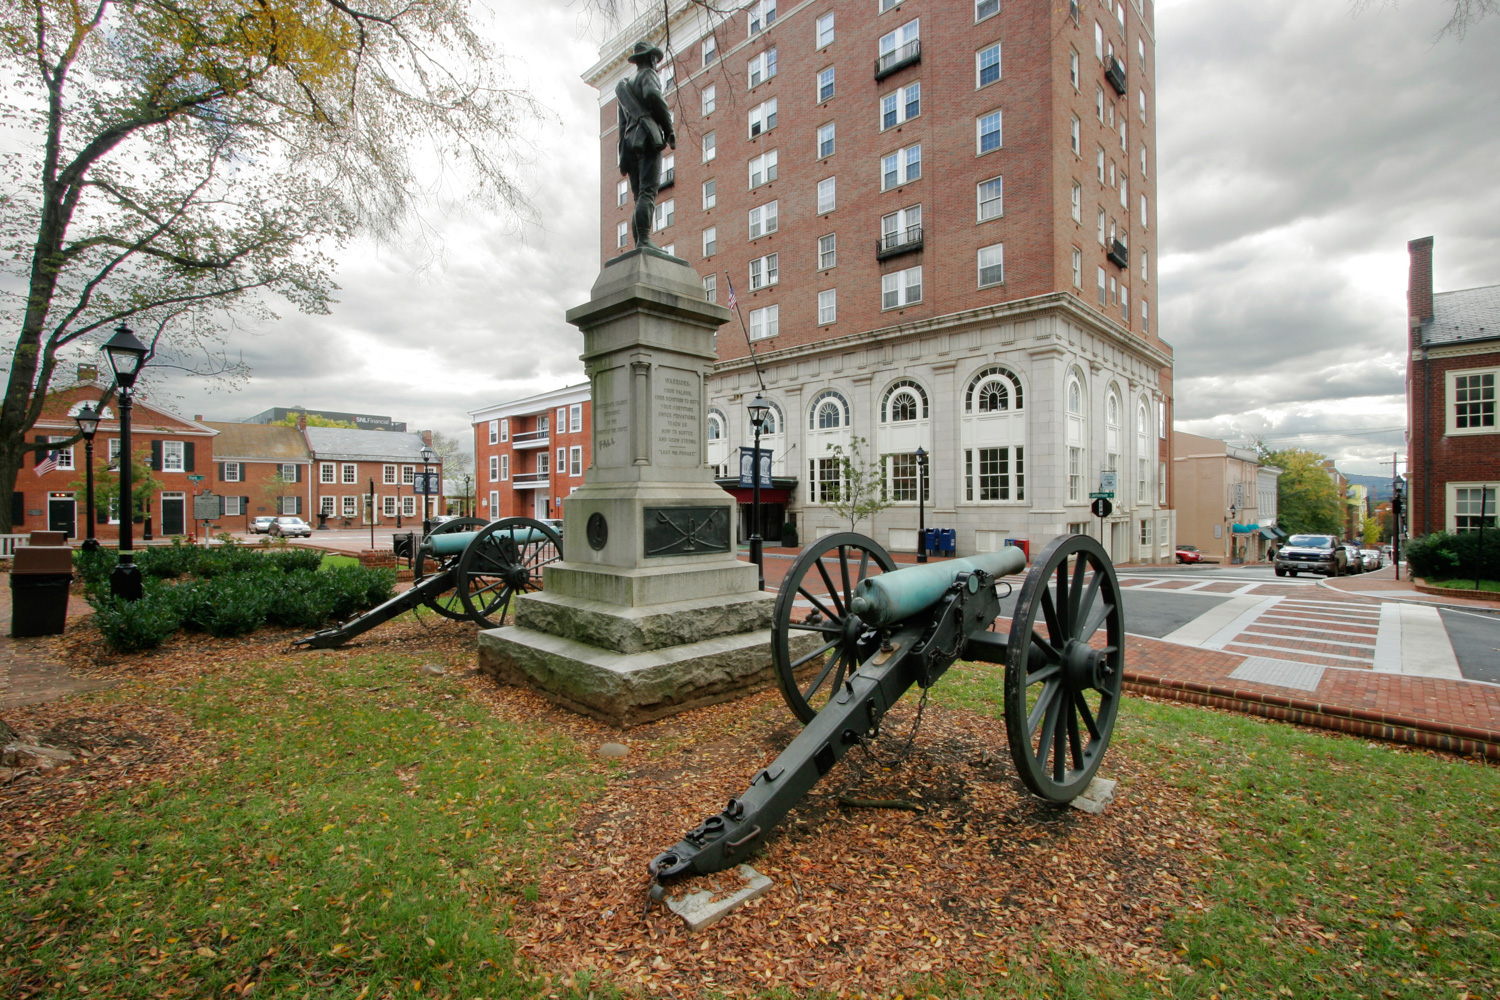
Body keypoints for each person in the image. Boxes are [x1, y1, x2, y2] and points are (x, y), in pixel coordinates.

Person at [616, 40, 676, 250]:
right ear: (650, 58)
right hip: (647, 138)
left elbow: (622, 125)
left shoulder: (624, 86)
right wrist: (669, 129)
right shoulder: (648, 75)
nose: (656, 63)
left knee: (638, 196)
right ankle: (644, 239)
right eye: (655, 59)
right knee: (647, 193)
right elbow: (653, 94)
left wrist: (623, 152)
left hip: (630, 143)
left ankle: (640, 242)